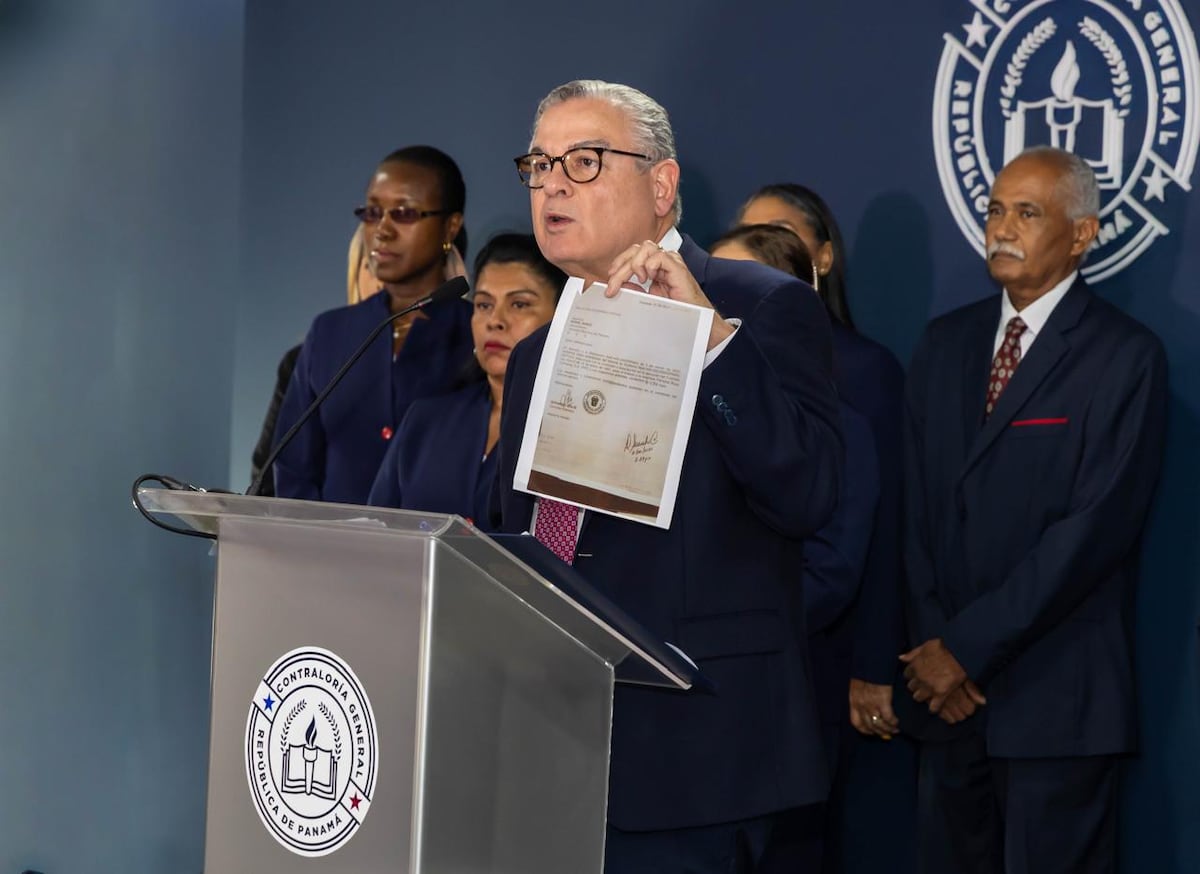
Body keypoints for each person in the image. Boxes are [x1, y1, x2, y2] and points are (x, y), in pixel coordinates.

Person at [493, 79, 843, 873]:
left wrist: (709, 338)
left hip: (702, 759)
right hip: (553, 750)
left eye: (583, 161)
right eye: (540, 163)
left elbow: (809, 493)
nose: (552, 183)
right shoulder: (534, 357)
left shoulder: (760, 306)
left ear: (662, 184)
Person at [902, 146, 1167, 873]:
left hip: (1057, 708)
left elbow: (1090, 536)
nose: (1001, 229)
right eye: (994, 210)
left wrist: (965, 652)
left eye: (1027, 212)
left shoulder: (1124, 357)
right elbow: (916, 516)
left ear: (1081, 235)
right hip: (946, 707)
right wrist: (934, 654)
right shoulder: (943, 345)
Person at [734, 189, 915, 873]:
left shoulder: (863, 374)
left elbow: (879, 528)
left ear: (822, 256)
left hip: (815, 654)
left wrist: (872, 666)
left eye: (777, 238)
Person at [711, 223, 881, 872]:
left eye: (736, 291)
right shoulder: (684, 408)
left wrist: (722, 625)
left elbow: (834, 569)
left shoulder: (846, 428)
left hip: (784, 700)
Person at [272, 145, 472, 504]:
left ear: (450, 226)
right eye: (373, 212)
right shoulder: (330, 332)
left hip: (435, 554)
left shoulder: (476, 335)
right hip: (330, 553)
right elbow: (293, 469)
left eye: (405, 213)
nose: (382, 231)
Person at [368, 233, 563, 523]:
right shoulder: (425, 420)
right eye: (483, 305)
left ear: (561, 318)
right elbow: (376, 533)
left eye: (519, 304)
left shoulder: (571, 434)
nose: (495, 320)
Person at [249, 230, 384, 496]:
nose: (383, 281)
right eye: (372, 264)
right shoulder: (302, 360)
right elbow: (266, 480)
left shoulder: (463, 365)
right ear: (355, 274)